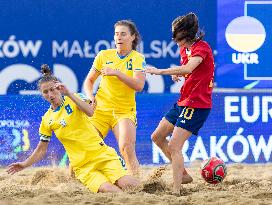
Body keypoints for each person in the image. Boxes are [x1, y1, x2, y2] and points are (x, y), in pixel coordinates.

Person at [7, 64, 140, 193]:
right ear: (42, 95)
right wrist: (24, 164)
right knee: (113, 192)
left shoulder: (75, 98)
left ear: (59, 88)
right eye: (45, 92)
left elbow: (90, 112)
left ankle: (151, 187)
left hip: (101, 155)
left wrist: (69, 94)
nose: (50, 94)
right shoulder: (47, 120)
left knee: (127, 184)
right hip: (83, 167)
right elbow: (41, 150)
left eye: (52, 89)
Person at [145, 12, 214, 194]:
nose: (175, 40)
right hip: (184, 101)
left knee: (175, 146)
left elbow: (189, 67)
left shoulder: (202, 48)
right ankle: (183, 174)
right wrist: (179, 74)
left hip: (198, 104)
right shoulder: (185, 48)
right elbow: (186, 69)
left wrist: (160, 72)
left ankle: (176, 191)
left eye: (178, 36)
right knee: (157, 137)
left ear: (187, 34)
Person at [84, 20, 146, 176]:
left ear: (133, 37)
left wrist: (117, 73)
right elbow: (89, 81)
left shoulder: (137, 58)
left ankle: (136, 184)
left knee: (126, 147)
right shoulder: (104, 55)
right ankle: (72, 183)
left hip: (123, 111)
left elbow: (139, 85)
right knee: (86, 146)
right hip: (100, 110)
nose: (119, 37)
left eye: (123, 34)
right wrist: (90, 96)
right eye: (116, 34)